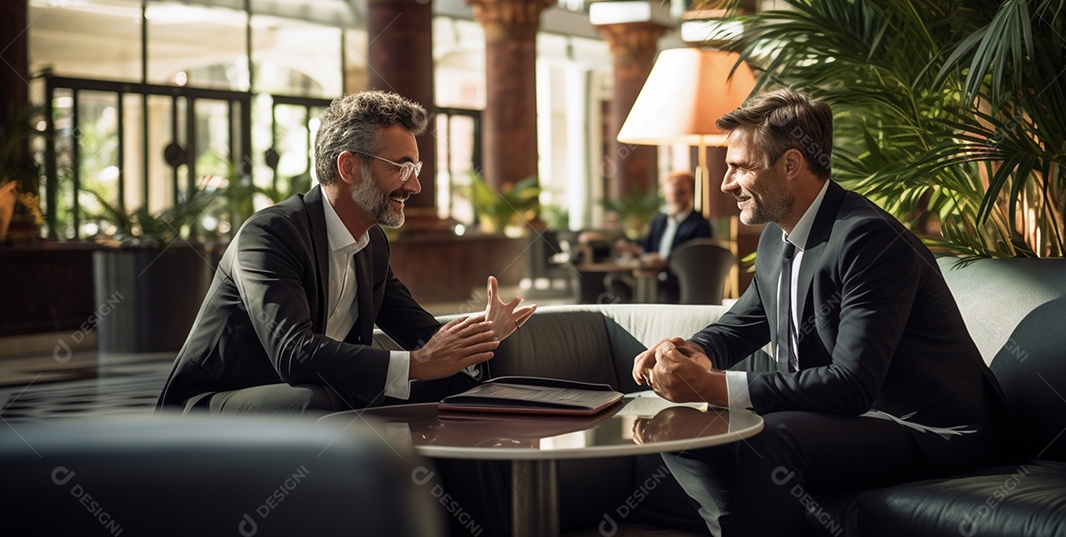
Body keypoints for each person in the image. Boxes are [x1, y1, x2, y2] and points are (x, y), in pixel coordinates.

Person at [632, 88, 1013, 535]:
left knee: (774, 437)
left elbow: (853, 385)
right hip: (841, 420)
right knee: (677, 427)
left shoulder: (867, 240)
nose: (725, 183)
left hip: (928, 429)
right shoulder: (777, 235)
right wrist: (687, 351)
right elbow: (744, 322)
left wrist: (717, 387)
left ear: (791, 164)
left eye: (739, 167)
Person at [157, 90, 537, 414]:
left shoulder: (371, 245)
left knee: (453, 389)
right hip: (211, 406)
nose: (416, 185)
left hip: (310, 395)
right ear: (349, 167)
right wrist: (419, 365)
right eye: (403, 169)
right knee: (325, 398)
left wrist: (481, 338)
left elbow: (423, 337)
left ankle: (464, 503)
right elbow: (294, 353)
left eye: (416, 168)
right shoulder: (271, 234)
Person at [614, 171, 713, 302]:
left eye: (681, 193)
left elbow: (698, 258)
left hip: (681, 281)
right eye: (671, 194)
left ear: (690, 194)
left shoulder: (699, 224)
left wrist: (667, 262)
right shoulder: (659, 220)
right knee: (616, 281)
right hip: (654, 276)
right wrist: (631, 247)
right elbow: (647, 246)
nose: (675, 198)